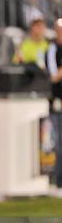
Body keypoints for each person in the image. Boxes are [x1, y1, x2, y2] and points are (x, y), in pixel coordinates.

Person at [47, 18, 62, 188]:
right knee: (59, 142)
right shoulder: (52, 49)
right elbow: (53, 76)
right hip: (57, 101)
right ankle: (58, 180)